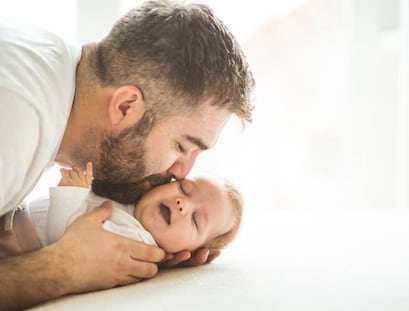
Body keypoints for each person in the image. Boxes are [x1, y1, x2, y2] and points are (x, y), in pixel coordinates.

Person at [0, 0, 254, 309]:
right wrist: (63, 267)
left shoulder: (45, 64)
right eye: (181, 147)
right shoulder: (16, 121)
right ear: (125, 107)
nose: (182, 172)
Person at [25, 163, 242, 261]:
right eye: (184, 188)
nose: (182, 203)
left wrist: (71, 193)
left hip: (16, 246)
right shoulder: (128, 199)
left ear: (192, 251)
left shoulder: (136, 241)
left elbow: (66, 245)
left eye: (196, 220)